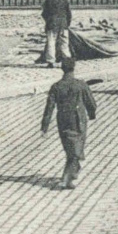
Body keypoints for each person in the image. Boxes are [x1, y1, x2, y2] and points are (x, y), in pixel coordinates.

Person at [41, 57, 98, 190]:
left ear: (62, 68)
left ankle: (73, 171)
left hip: (63, 120)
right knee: (76, 150)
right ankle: (66, 179)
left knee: (70, 148)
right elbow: (91, 103)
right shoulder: (81, 85)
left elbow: (49, 108)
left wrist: (44, 127)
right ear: (74, 68)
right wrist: (91, 115)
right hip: (78, 121)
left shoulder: (56, 87)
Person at [38, 0, 73, 68]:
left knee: (51, 43)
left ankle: (51, 62)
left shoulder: (48, 1)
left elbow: (44, 14)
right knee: (64, 43)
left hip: (52, 24)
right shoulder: (65, 1)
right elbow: (69, 14)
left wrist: (48, 21)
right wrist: (67, 24)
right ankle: (67, 61)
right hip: (63, 25)